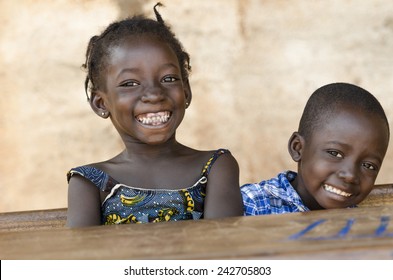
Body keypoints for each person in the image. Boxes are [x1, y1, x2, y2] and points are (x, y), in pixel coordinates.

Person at [66, 3, 243, 227]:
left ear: (186, 91)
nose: (154, 94)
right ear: (101, 103)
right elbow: (83, 259)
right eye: (130, 83)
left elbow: (223, 248)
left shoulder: (216, 166)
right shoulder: (90, 182)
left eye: (168, 79)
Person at [241, 82, 390, 215]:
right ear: (298, 148)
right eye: (335, 153)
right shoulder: (255, 204)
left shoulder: (364, 224)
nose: (350, 175)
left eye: (368, 165)